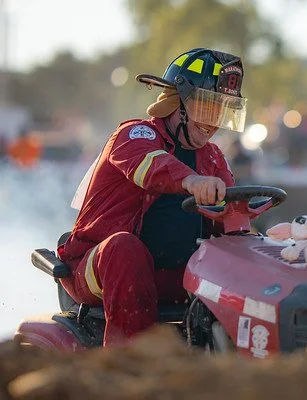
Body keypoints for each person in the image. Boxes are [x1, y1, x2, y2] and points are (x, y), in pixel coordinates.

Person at [57, 47, 248, 347]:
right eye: (207, 108)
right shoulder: (134, 135)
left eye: (222, 111)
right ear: (178, 102)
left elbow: (231, 214)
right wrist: (192, 180)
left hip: (168, 275)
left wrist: (267, 237)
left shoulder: (212, 157)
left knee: (239, 258)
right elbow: (150, 167)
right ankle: (130, 362)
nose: (214, 122)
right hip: (98, 266)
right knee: (124, 248)